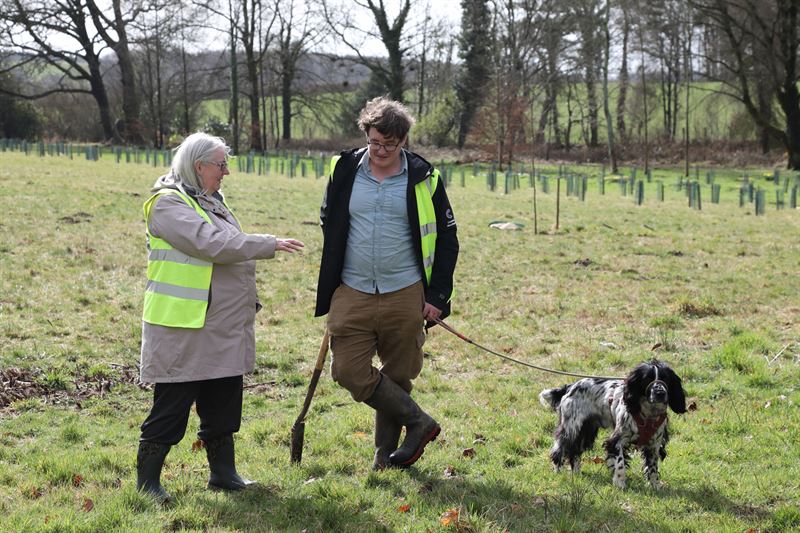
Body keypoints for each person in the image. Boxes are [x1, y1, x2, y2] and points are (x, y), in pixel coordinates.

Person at [136, 132, 304, 501]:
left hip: (222, 323)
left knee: (223, 403)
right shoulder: (167, 205)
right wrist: (268, 243)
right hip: (183, 326)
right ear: (199, 167)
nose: (226, 172)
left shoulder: (211, 200)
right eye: (221, 165)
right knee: (172, 405)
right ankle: (147, 483)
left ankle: (223, 475)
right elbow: (212, 244)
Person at [315, 97, 459, 470]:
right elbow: (329, 218)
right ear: (366, 134)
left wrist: (439, 296)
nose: (381, 151)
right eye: (375, 142)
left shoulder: (424, 177)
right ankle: (419, 422)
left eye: (390, 145)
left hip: (404, 290)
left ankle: (386, 457)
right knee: (347, 370)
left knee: (397, 375)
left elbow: (447, 238)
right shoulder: (343, 168)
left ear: (404, 141)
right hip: (353, 288)